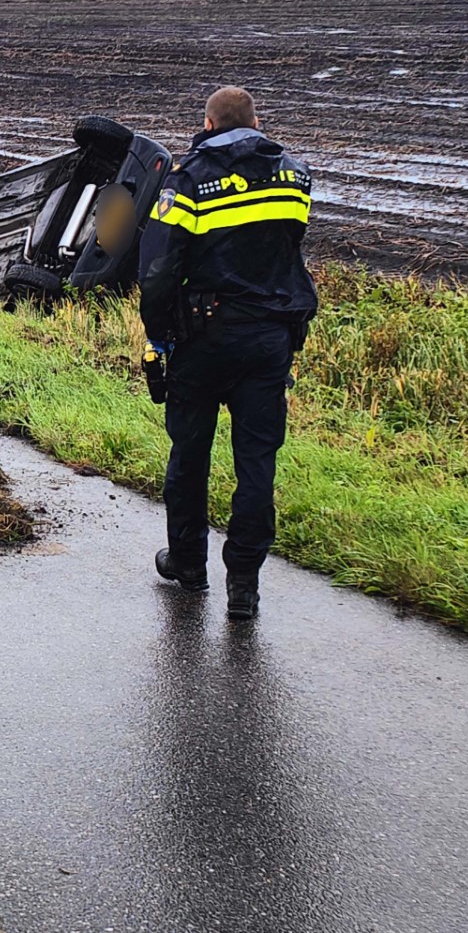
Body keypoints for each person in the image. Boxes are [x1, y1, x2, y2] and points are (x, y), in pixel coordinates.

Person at [138, 87, 317, 621]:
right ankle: (244, 584)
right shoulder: (296, 174)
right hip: (270, 340)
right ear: (257, 120)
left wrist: (158, 336)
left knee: (189, 455)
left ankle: (189, 566)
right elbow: (283, 247)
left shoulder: (190, 178)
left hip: (204, 336)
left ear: (209, 123)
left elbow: (159, 270)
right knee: (257, 461)